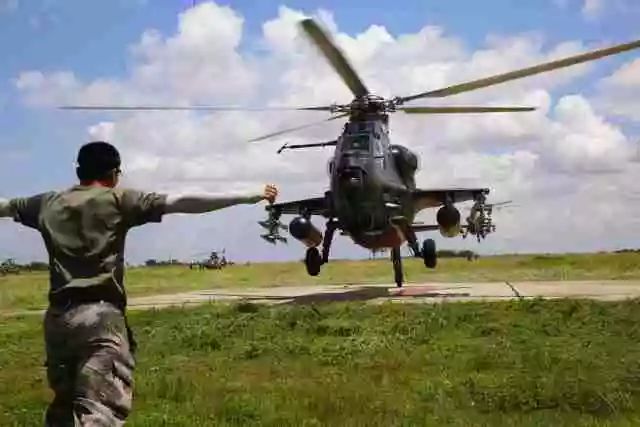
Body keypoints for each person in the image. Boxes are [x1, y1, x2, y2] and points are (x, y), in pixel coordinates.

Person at [0, 141, 278, 426]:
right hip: (100, 318)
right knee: (100, 413)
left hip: (58, 320)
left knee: (64, 409)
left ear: (79, 171)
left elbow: (5, 207)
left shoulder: (46, 203)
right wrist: (248, 195)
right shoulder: (118, 200)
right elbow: (182, 201)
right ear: (114, 173)